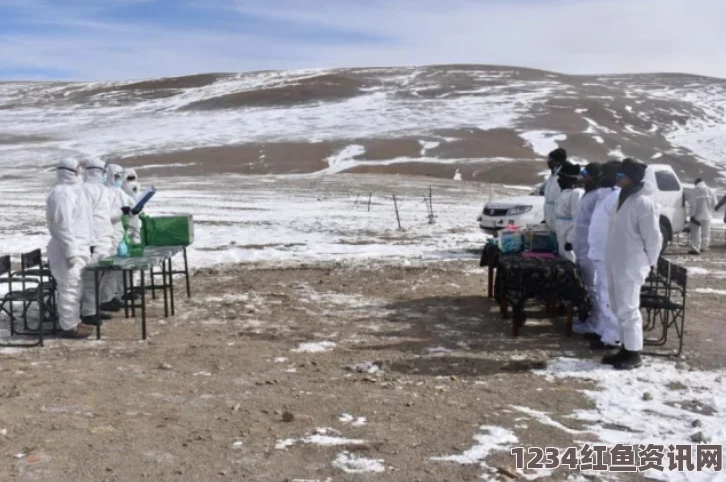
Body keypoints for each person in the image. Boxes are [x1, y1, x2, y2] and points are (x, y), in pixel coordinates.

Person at [603, 158, 662, 370]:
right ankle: (625, 348)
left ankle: (634, 353)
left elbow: (653, 237)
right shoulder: (622, 197)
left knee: (628, 308)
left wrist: (650, 263)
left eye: (621, 175)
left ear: (632, 178)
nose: (617, 179)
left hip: (631, 263)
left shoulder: (643, 203)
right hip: (616, 261)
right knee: (618, 306)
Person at [46, 158, 94, 339]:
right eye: (77, 169)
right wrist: (71, 251)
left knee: (76, 287)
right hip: (66, 249)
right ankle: (69, 327)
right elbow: (62, 225)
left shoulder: (75, 192)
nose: (80, 172)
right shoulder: (61, 194)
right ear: (69, 171)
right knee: (69, 287)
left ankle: (75, 321)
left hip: (78, 247)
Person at [587, 161, 623, 350]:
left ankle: (613, 337)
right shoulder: (605, 195)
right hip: (598, 252)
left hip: (607, 253)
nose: (600, 177)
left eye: (605, 173)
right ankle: (603, 332)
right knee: (602, 294)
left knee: (608, 296)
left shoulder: (617, 196)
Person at [80, 159, 116, 323]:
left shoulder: (103, 190)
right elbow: (84, 216)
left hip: (104, 238)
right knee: (90, 278)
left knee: (100, 277)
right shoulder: (84, 190)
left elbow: (106, 215)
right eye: (102, 171)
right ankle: (88, 313)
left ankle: (95, 308)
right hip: (93, 239)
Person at [570, 162, 602, 335]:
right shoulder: (588, 194)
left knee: (594, 287)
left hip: (591, 249)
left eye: (586, 173)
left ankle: (596, 323)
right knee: (587, 286)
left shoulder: (598, 195)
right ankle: (591, 318)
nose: (583, 176)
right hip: (582, 248)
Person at [101, 164, 139, 308]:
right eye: (116, 176)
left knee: (113, 270)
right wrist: (121, 213)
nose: (119, 179)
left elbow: (131, 208)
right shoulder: (105, 193)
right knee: (107, 270)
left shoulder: (119, 192)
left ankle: (112, 296)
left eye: (120, 177)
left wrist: (133, 211)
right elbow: (104, 216)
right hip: (108, 236)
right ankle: (105, 299)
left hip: (118, 235)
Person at [554, 161, 583, 263]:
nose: (559, 181)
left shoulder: (576, 193)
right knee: (562, 255)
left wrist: (570, 239)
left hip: (568, 228)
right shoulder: (564, 192)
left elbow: (577, 218)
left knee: (570, 256)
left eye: (561, 179)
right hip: (561, 228)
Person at [688, 178, 718, 255]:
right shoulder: (711, 191)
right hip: (708, 215)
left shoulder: (695, 190)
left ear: (696, 182)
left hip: (697, 215)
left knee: (696, 233)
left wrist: (691, 215)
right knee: (706, 232)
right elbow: (715, 204)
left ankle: (695, 248)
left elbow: (692, 204)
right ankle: (704, 247)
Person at [542, 148, 567, 231]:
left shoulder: (562, 176)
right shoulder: (552, 176)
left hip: (558, 219)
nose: (548, 162)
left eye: (550, 160)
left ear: (557, 161)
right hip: (549, 217)